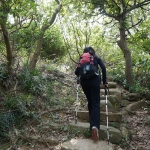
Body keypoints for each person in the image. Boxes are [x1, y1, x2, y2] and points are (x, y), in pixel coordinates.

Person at [75, 46, 108, 141]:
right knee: (95, 103)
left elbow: (76, 72)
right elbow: (103, 68)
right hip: (94, 81)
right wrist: (105, 82)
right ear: (92, 52)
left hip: (84, 82)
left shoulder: (82, 59)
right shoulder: (96, 58)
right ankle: (94, 126)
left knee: (90, 101)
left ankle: (92, 125)